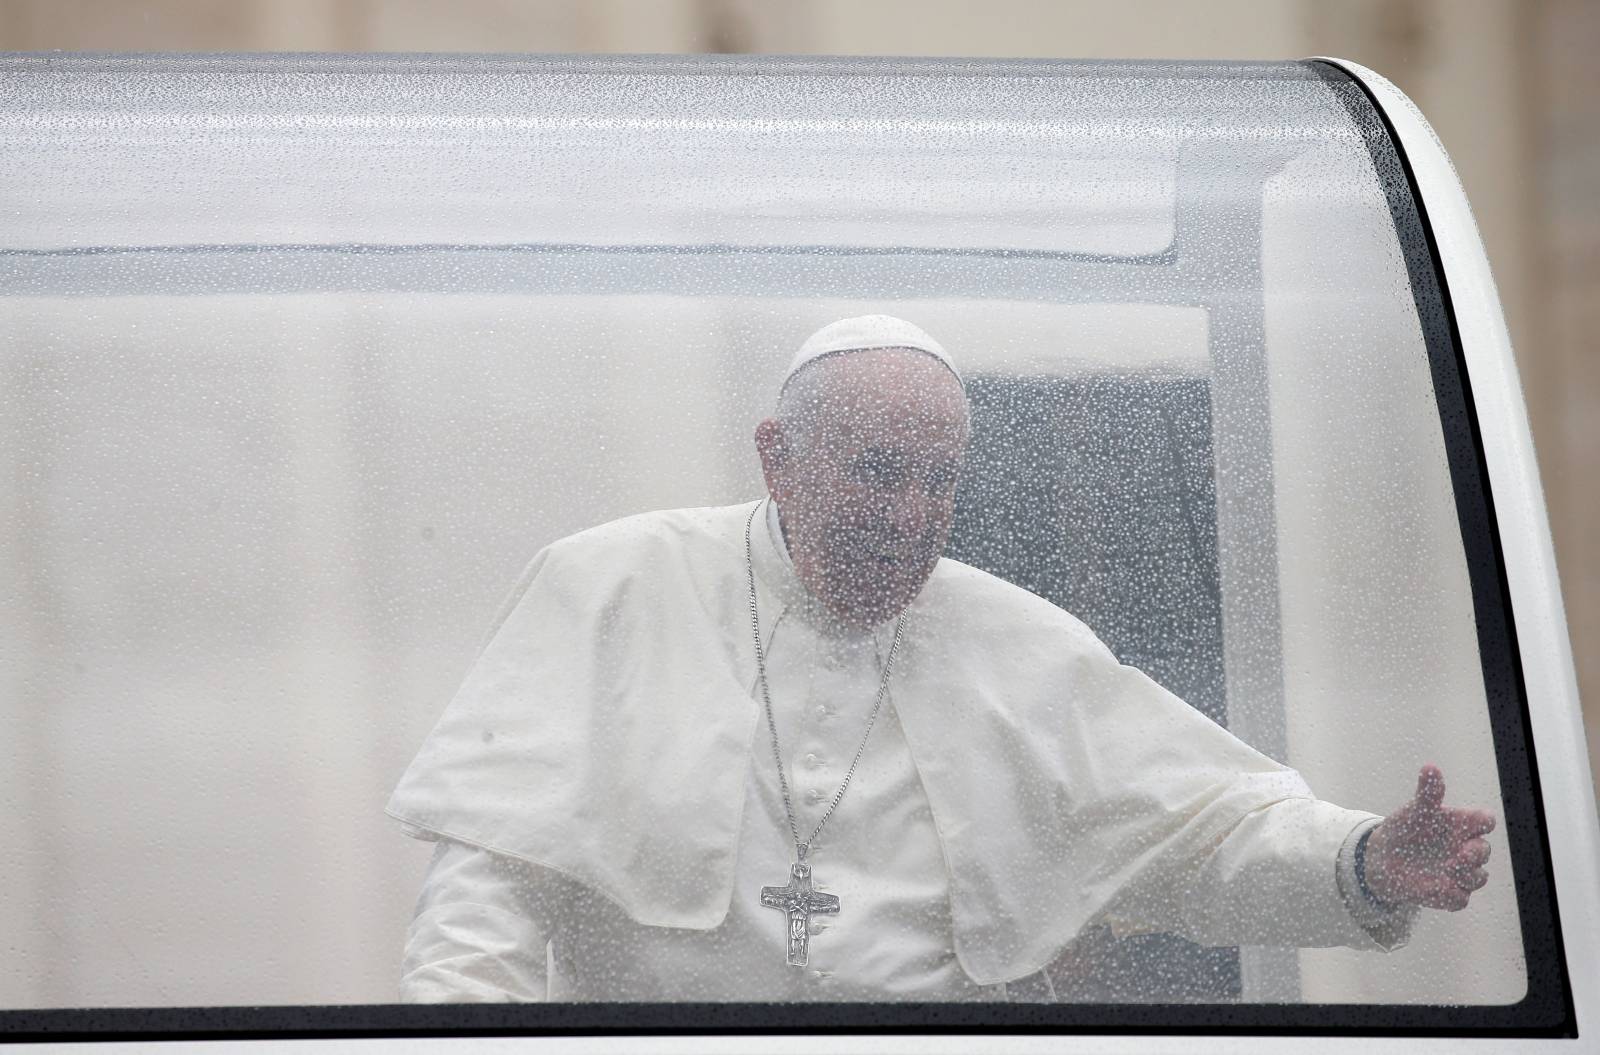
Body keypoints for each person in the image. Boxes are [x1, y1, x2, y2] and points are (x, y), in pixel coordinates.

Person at [386, 314, 1496, 1002]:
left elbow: (1196, 834)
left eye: (941, 479)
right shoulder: (613, 586)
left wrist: (1357, 860)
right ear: (779, 457)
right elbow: (489, 879)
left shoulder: (1014, 642)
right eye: (876, 470)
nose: (913, 515)